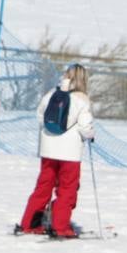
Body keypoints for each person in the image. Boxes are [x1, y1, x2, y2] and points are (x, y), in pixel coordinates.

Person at [17, 64, 95, 238]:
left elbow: (40, 117)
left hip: (48, 150)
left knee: (43, 186)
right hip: (70, 153)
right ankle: (60, 227)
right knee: (67, 189)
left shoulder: (52, 93)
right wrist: (90, 134)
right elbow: (85, 127)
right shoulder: (82, 99)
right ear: (83, 79)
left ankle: (29, 224)